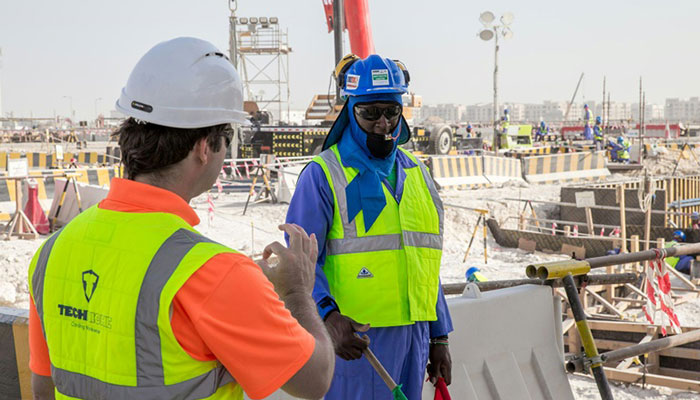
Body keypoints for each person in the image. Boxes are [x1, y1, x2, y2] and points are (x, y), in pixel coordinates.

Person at [27, 37, 334, 400]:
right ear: (205, 147)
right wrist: (298, 291)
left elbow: (43, 387)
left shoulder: (53, 253)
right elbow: (315, 379)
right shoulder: (214, 273)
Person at [285, 54, 453, 400]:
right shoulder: (323, 175)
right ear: (351, 111)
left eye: (392, 112)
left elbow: (423, 260)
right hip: (354, 341)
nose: (383, 123)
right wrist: (328, 316)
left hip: (415, 338)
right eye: (370, 113)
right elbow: (298, 261)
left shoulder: (416, 174)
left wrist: (439, 335)